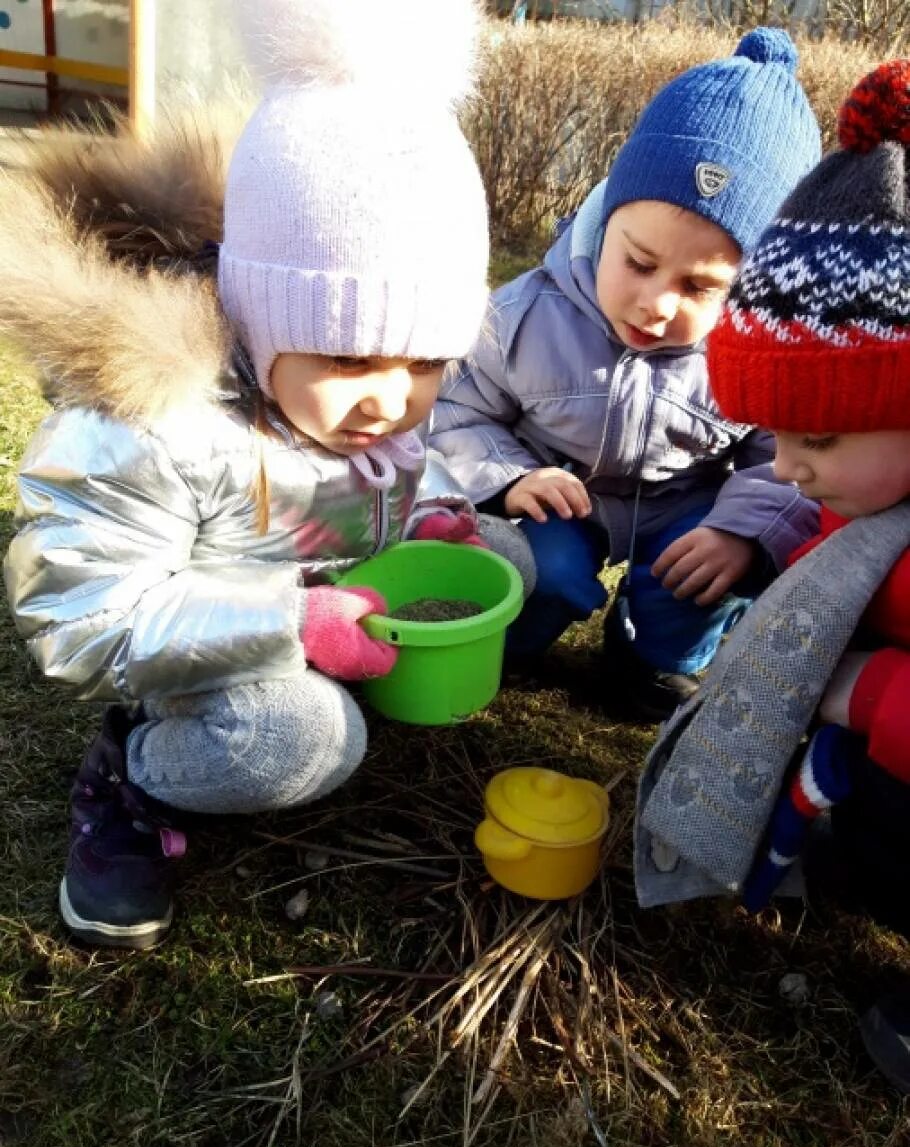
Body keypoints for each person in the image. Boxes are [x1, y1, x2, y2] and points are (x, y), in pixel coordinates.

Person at [0, 0, 533, 950]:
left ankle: (328, 666)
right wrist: (288, 626)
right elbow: (80, 617)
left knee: (509, 558)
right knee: (308, 739)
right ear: (260, 315)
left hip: (318, 593)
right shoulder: (159, 423)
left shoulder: (366, 395)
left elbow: (399, 469)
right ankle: (133, 773)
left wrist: (436, 513)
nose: (390, 399)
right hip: (188, 651)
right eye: (347, 358)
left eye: (424, 364)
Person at [429, 28, 821, 721]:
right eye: (638, 262)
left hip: (686, 507)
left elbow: (789, 463)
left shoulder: (764, 353)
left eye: (701, 288)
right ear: (602, 222)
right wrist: (514, 477)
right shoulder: (523, 315)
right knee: (545, 573)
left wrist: (742, 531)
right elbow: (455, 412)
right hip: (560, 496)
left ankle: (654, 661)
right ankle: (513, 641)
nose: (656, 302)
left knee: (697, 578)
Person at [705, 59, 910, 1092]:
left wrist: (855, 686)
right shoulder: (868, 485)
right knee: (863, 837)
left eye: (814, 436)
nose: (788, 464)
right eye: (776, 436)